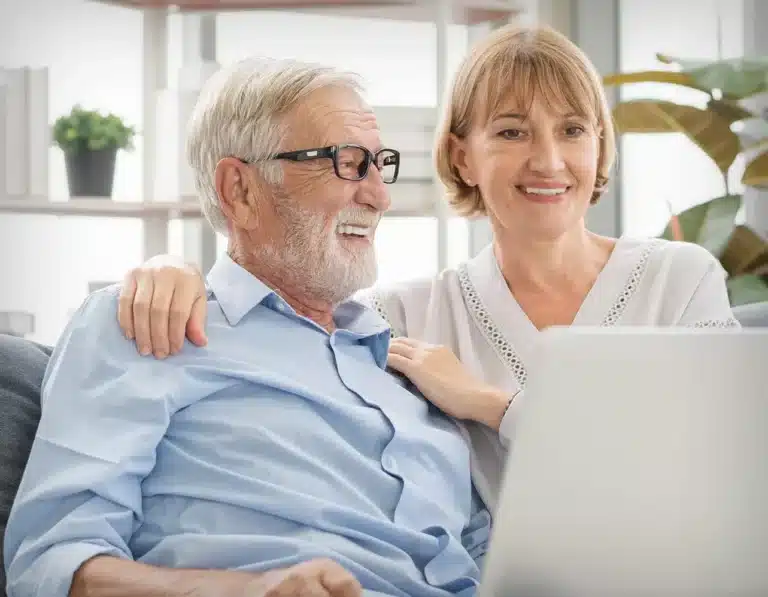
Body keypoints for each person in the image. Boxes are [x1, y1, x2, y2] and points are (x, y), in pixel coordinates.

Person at [117, 24, 740, 512]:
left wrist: (493, 407)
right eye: (512, 133)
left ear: (599, 145)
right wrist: (177, 269)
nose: (549, 161)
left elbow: (719, 478)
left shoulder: (680, 282)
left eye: (573, 130)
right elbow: (275, 308)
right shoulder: (402, 317)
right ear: (461, 156)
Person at [4, 57, 493, 597]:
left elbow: (493, 555)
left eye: (380, 165)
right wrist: (246, 590)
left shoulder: (406, 370)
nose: (380, 195)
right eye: (347, 163)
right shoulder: (145, 324)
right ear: (239, 190)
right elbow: (50, 565)